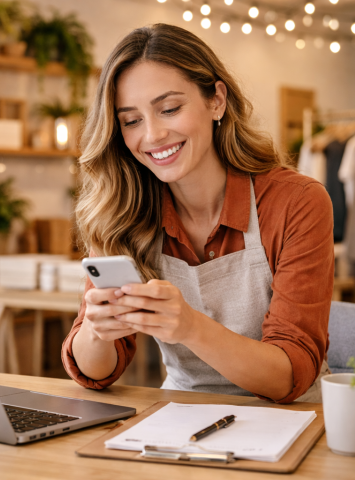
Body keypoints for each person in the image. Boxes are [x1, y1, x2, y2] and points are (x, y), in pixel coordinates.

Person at [61, 24, 333, 403]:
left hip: (291, 420)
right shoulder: (122, 210)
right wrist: (96, 330)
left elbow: (290, 375)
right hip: (181, 417)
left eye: (169, 109)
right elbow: (96, 373)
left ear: (216, 100)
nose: (153, 135)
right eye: (131, 120)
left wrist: (190, 327)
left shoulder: (297, 203)